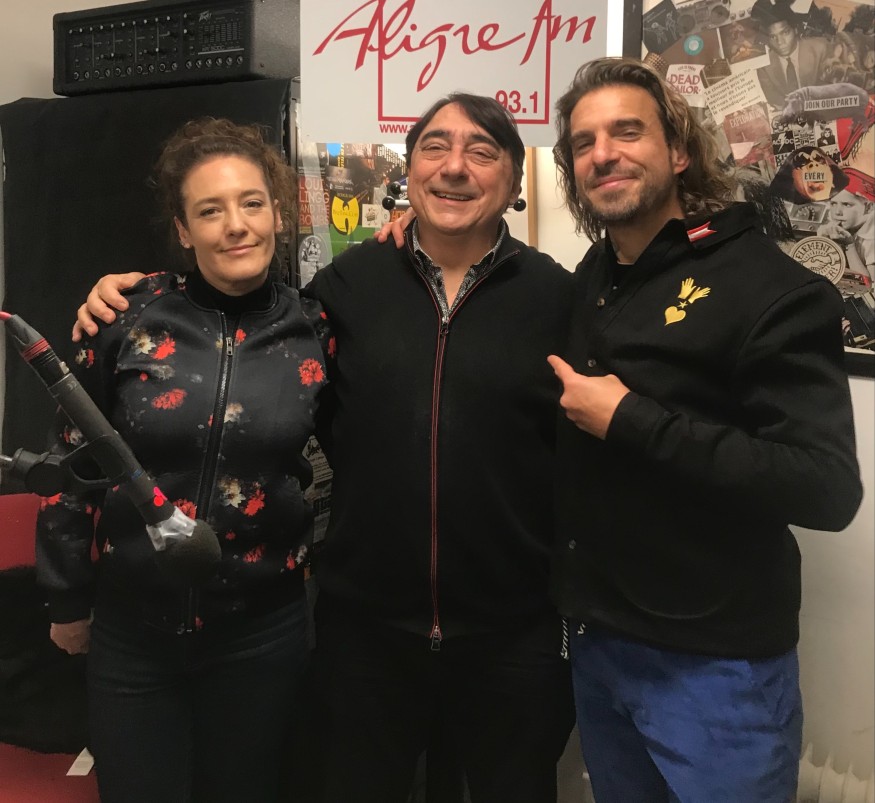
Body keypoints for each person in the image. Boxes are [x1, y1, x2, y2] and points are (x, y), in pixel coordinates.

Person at [72, 94, 576, 803]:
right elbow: (88, 454)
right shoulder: (344, 289)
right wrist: (115, 298)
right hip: (363, 631)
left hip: (508, 632)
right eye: (434, 147)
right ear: (410, 171)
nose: (455, 167)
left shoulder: (559, 297)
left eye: (482, 150)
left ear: (515, 178)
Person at [547, 56, 863, 802]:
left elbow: (825, 487)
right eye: (584, 142)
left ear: (679, 150)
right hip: (598, 644)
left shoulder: (771, 289)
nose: (603, 154)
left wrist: (631, 420)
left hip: (715, 671)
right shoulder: (595, 277)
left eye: (627, 132)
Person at [39, 118, 331, 803]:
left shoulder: (316, 329)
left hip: (262, 630)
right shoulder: (123, 317)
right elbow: (71, 464)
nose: (236, 225)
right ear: (182, 229)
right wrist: (65, 596)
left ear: (278, 213)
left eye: (251, 203)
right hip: (133, 632)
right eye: (210, 210)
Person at [751, 0, 829, 108]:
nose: (780, 42)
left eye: (785, 32)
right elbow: (772, 97)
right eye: (773, 37)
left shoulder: (820, 49)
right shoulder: (764, 66)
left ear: (796, 30)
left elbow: (831, 87)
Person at [817, 186, 875, 283]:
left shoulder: (871, 237)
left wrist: (849, 246)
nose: (837, 212)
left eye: (846, 205)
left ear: (868, 208)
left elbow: (868, 286)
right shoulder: (836, 228)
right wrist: (824, 244)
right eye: (833, 204)